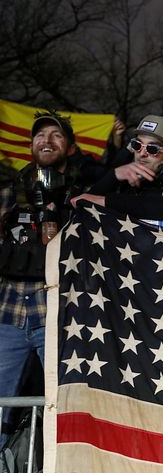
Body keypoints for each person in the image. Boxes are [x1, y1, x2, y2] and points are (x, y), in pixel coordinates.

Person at [0, 111, 97, 445]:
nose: (47, 140)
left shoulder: (83, 196)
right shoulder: (9, 193)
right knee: (1, 407)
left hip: (59, 313)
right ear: (30, 146)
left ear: (69, 148)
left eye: (56, 135)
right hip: (8, 313)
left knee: (64, 403)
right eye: (40, 136)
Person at [71, 115, 163, 228]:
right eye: (137, 145)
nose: (142, 154)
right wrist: (114, 175)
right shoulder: (122, 183)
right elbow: (80, 205)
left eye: (152, 148)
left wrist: (106, 201)